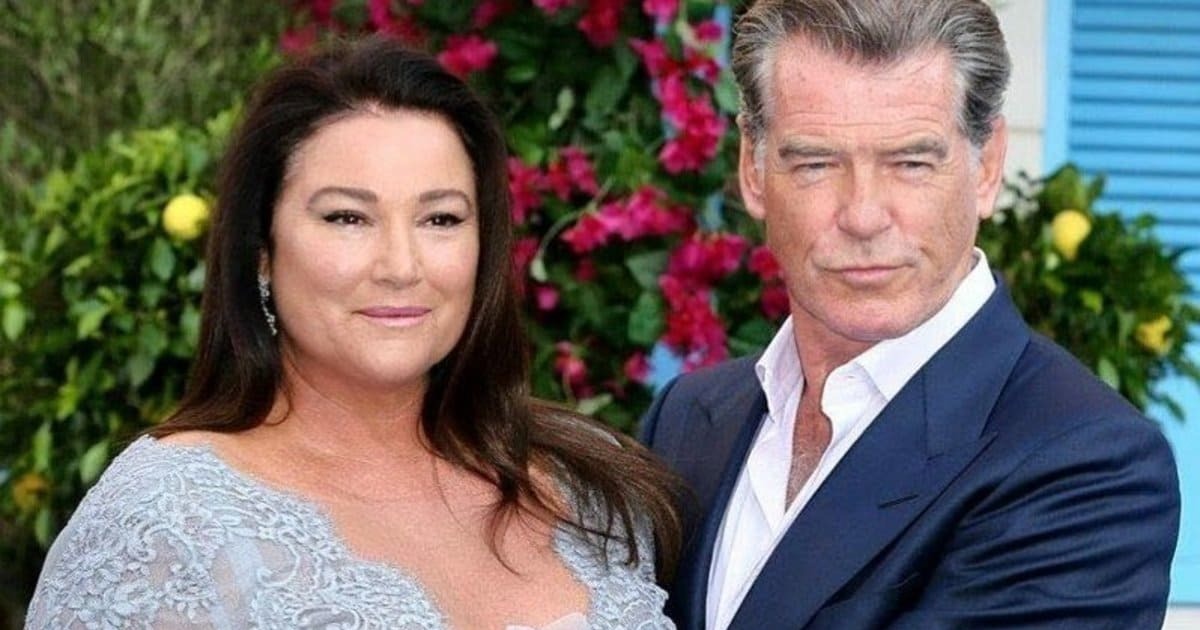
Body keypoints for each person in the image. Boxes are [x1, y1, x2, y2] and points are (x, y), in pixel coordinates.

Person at [27, 38, 681, 629]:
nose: (400, 266)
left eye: (440, 219)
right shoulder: (163, 521)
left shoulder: (587, 487)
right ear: (262, 249)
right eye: (347, 218)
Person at [640, 1, 1181, 628]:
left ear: (987, 166)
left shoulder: (1088, 464)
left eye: (911, 164)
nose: (863, 216)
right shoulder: (686, 418)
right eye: (815, 163)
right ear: (753, 170)